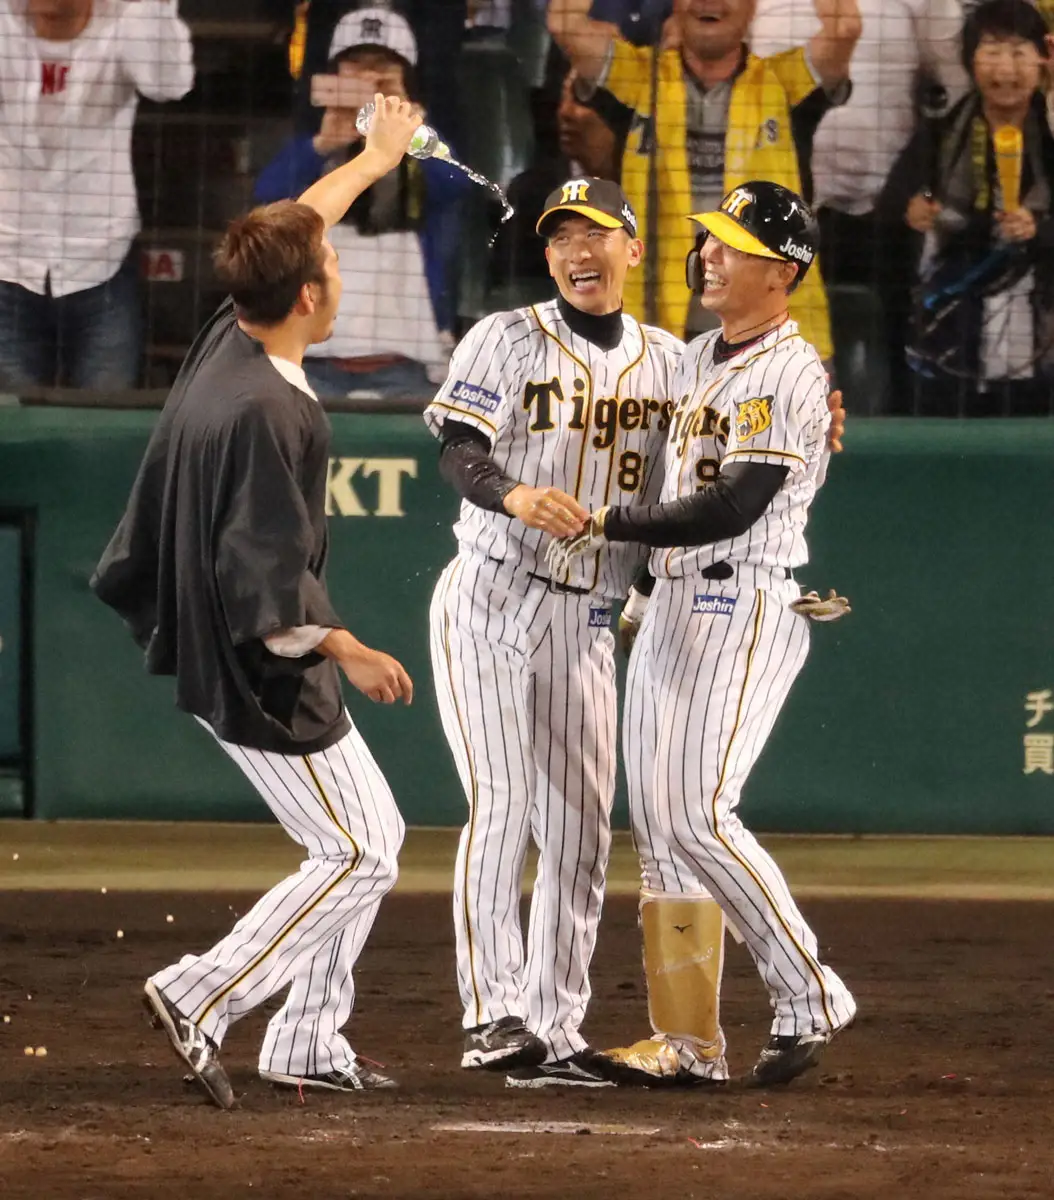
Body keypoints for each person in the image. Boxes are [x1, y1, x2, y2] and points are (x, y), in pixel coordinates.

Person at [90, 96, 422, 1109]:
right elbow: (264, 592)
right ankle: (204, 992)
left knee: (359, 843)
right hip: (254, 663)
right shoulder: (275, 413)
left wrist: (370, 160)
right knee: (362, 850)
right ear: (312, 296)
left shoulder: (232, 335)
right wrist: (351, 647)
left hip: (199, 633)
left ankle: (308, 1039)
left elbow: (297, 224)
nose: (339, 274)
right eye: (331, 269)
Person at [546, 180, 856, 1088]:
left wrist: (609, 525)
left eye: (730, 242)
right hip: (677, 601)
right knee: (664, 832)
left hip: (741, 600)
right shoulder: (697, 359)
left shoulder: (792, 368)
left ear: (783, 270)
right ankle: (688, 1043)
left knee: (697, 814)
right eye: (709, 239)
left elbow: (735, 504)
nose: (708, 254)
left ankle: (809, 990)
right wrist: (642, 590)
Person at [425, 175, 686, 1087]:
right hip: (492, 593)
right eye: (560, 237)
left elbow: (722, 458)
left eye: (597, 232)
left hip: (585, 617)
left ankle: (555, 1026)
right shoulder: (503, 337)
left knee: (580, 828)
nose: (578, 250)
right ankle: (491, 1012)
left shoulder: (674, 363)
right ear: (547, 256)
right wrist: (513, 493)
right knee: (500, 801)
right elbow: (458, 447)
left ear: (632, 247)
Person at [547, 0, 861, 357]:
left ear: (752, 8)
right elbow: (564, 22)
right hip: (654, 334)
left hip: (771, 334)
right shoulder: (635, 77)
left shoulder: (783, 82)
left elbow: (844, 29)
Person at [751, 0, 969, 403]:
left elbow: (955, 91)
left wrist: (924, 185)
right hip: (777, 216)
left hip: (889, 213)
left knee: (895, 352)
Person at [257, 7, 468, 399]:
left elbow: (455, 186)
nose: (369, 78)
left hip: (406, 360)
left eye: (383, 66)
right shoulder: (312, 148)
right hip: (315, 360)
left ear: (407, 77)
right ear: (334, 74)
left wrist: (410, 128)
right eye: (355, 64)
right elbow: (266, 203)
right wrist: (323, 145)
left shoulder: (426, 147)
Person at [0, 0, 194, 392]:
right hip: (7, 261)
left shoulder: (126, 17)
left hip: (101, 260)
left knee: (100, 430)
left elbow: (168, 83)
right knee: (11, 436)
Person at [884, 0, 1054, 415]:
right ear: (970, 61)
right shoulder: (942, 134)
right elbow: (892, 202)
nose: (1006, 70)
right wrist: (914, 209)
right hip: (953, 322)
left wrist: (1041, 228)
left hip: (1039, 325)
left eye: (1018, 53)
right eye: (992, 51)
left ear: (1041, 61)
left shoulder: (1050, 133)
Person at [489, 66, 633, 298]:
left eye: (580, 99)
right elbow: (514, 294)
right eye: (562, 98)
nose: (565, 112)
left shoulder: (654, 193)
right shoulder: (531, 197)